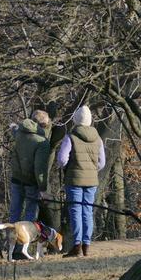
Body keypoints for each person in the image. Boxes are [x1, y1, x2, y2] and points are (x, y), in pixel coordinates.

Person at [57, 105, 105, 257]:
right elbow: (102, 162)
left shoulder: (70, 137)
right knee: (87, 212)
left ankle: (76, 246)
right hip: (92, 180)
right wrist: (91, 169)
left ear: (76, 120)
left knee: (76, 211)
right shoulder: (98, 139)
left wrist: (68, 167)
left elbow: (62, 160)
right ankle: (86, 246)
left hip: (74, 180)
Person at [8, 110, 51, 223]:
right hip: (31, 182)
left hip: (16, 178)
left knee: (14, 212)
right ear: (42, 125)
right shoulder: (42, 142)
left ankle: (12, 239)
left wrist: (12, 126)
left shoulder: (20, 132)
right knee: (30, 213)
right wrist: (43, 189)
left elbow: (14, 129)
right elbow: (39, 168)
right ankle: (26, 239)